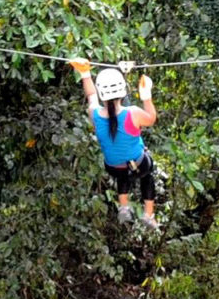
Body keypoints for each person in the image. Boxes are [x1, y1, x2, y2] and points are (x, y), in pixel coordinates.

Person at [68, 57, 159, 230]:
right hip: (139, 165)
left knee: (121, 169)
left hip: (113, 168)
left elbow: (91, 95)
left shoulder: (93, 114)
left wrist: (85, 73)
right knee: (147, 172)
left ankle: (124, 206)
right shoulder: (133, 113)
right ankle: (148, 214)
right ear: (123, 91)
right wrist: (146, 96)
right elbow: (152, 118)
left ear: (102, 93)